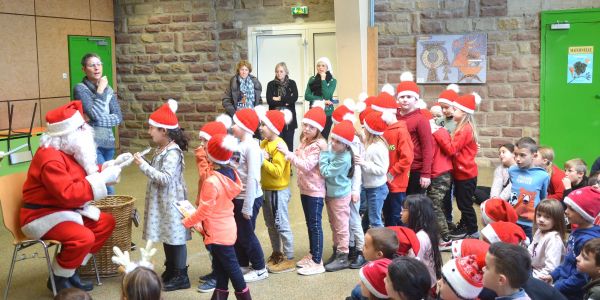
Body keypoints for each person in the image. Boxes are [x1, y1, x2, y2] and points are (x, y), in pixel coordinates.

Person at [20, 101, 119, 293]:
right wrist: (102, 178)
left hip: (63, 210)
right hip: (41, 216)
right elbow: (68, 194)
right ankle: (58, 278)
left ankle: (69, 269)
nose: (86, 131)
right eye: (81, 128)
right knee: (83, 237)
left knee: (105, 222)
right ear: (67, 134)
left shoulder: (67, 149)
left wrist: (105, 169)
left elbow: (78, 175)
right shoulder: (50, 159)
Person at [182, 133, 252, 300]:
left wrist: (187, 221)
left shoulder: (211, 182)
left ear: (211, 156)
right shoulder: (231, 175)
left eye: (206, 148)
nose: (203, 148)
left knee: (233, 271)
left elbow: (204, 210)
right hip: (227, 228)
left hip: (217, 232)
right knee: (221, 270)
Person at [132, 99, 191, 291]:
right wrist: (148, 162)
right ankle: (172, 269)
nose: (149, 132)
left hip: (172, 202)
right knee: (168, 235)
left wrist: (144, 166)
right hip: (163, 201)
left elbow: (165, 178)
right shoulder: (162, 148)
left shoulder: (172, 152)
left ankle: (181, 274)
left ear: (164, 131)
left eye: (152, 129)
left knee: (176, 237)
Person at [277, 103, 328, 276]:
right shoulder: (305, 141)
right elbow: (299, 157)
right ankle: (313, 254)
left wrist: (288, 153)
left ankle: (317, 261)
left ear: (318, 129)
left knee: (315, 225)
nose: (306, 129)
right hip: (305, 189)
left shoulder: (317, 146)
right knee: (309, 224)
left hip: (315, 192)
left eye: (311, 127)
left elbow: (306, 165)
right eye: (305, 125)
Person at [432, 92, 480, 239]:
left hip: (466, 174)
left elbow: (452, 149)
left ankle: (473, 231)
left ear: (464, 113)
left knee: (465, 205)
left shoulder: (465, 129)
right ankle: (464, 226)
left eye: (456, 109)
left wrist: (439, 133)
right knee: (462, 202)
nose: (453, 111)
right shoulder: (461, 127)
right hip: (462, 173)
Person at [73, 53, 123, 195]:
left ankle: (106, 211)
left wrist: (97, 119)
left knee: (108, 179)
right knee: (104, 182)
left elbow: (118, 117)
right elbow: (95, 114)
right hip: (92, 144)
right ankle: (112, 213)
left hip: (108, 142)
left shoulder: (109, 88)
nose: (96, 68)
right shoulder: (81, 89)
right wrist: (100, 90)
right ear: (84, 69)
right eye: (91, 65)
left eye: (99, 64)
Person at [228, 108, 267, 283]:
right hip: (238, 196)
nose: (232, 126)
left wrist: (248, 206)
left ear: (245, 127)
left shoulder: (251, 146)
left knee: (247, 234)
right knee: (238, 233)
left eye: (235, 123)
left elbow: (253, 178)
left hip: (248, 198)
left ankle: (260, 268)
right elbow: (234, 166)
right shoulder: (239, 144)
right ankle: (243, 263)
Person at [543, 186, 600, 300]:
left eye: (571, 208)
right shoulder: (578, 231)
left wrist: (556, 287)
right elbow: (568, 261)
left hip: (570, 294)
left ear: (583, 214)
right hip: (561, 284)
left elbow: (581, 277)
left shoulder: (587, 241)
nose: (566, 211)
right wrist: (553, 275)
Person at [258, 108, 295, 274]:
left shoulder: (280, 145)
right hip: (267, 189)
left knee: (281, 224)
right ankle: (277, 252)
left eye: (264, 125)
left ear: (273, 128)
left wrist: (263, 160)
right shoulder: (264, 143)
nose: (260, 127)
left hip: (278, 192)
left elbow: (278, 171)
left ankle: (289, 256)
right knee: (270, 225)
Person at [320, 120, 355, 271]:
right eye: (332, 139)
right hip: (332, 193)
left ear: (346, 144)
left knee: (341, 226)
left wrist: (323, 155)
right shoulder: (336, 150)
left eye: (337, 142)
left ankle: (343, 256)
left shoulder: (344, 158)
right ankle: (336, 251)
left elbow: (325, 171)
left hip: (339, 196)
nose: (333, 143)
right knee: (334, 224)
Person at [380, 90, 414, 227]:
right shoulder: (385, 130)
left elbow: (407, 158)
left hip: (397, 183)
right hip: (386, 182)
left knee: (396, 216)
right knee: (388, 214)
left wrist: (392, 173)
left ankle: (401, 245)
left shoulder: (401, 131)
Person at [396, 72, 434, 195]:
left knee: (412, 204)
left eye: (409, 97)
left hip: (415, 169)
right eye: (402, 97)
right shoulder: (393, 116)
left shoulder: (421, 120)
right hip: (397, 167)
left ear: (416, 99)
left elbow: (428, 147)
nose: (405, 100)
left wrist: (426, 173)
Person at [507, 140, 550, 240]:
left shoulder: (543, 175)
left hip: (531, 223)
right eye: (515, 154)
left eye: (522, 155)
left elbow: (543, 198)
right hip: (513, 219)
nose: (517, 159)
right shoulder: (512, 170)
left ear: (534, 156)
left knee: (529, 250)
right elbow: (514, 192)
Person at [356, 111, 392, 228]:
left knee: (375, 220)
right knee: (366, 219)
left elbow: (382, 170)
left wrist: (363, 163)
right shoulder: (371, 143)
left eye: (364, 127)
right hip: (371, 187)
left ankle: (381, 245)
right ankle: (365, 242)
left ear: (369, 130)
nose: (363, 129)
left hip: (376, 189)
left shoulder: (377, 148)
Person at [401, 194, 442, 289]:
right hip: (427, 280)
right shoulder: (427, 230)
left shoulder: (421, 237)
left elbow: (411, 262)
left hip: (422, 285)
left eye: (404, 210)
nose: (401, 213)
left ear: (416, 213)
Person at [528, 199, 566, 279]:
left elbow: (551, 269)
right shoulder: (540, 231)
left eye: (547, 217)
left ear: (556, 220)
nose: (541, 219)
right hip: (532, 270)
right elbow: (530, 251)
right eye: (539, 215)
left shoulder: (554, 240)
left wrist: (532, 281)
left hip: (541, 278)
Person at [266, 62, 298, 152]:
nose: (279, 74)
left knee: (288, 145)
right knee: (276, 145)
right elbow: (270, 101)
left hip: (289, 121)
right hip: (275, 120)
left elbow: (294, 98)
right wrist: (286, 101)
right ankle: (277, 165)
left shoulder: (292, 83)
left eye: (281, 71)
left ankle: (288, 166)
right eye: (277, 71)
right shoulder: (271, 84)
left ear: (286, 72)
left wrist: (279, 98)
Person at [304, 57, 337, 139]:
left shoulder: (333, 81)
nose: (320, 68)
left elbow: (328, 96)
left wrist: (323, 80)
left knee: (322, 139)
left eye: (323, 66)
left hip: (327, 113)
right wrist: (322, 100)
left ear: (327, 67)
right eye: (318, 66)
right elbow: (307, 96)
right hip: (313, 111)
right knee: (312, 138)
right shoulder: (312, 79)